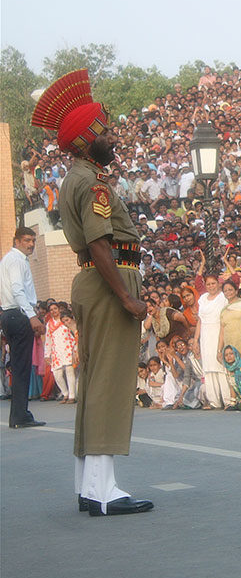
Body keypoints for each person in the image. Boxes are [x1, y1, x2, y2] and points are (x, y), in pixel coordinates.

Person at [36, 69, 152, 515]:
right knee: (109, 383)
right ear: (87, 141)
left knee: (94, 381)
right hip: (109, 284)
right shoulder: (93, 183)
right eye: (105, 133)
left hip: (93, 283)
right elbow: (101, 243)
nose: (113, 139)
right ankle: (105, 492)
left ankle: (90, 486)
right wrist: (126, 297)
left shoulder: (76, 178)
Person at [0, 227, 46, 428]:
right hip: (18, 315)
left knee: (19, 366)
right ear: (16, 241)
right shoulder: (17, 260)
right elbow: (18, 290)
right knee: (21, 367)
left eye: (33, 240)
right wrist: (32, 316)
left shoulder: (9, 260)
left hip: (10, 315)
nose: (31, 244)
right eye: (27, 240)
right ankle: (20, 415)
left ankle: (19, 414)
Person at [195, 274, 230, 409]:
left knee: (220, 366)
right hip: (205, 335)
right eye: (208, 284)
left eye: (213, 283)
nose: (211, 286)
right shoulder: (203, 299)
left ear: (218, 283)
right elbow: (200, 320)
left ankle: (227, 400)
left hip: (218, 331)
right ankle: (214, 401)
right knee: (208, 368)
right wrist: (196, 339)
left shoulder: (223, 297)